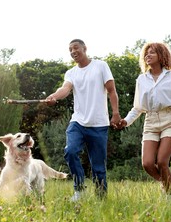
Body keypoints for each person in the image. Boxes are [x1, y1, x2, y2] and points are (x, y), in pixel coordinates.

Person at [118, 42, 171, 195]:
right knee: (147, 163)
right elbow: (138, 107)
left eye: (152, 53)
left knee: (162, 161)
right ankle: (165, 182)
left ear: (161, 56)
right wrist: (126, 121)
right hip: (151, 121)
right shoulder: (141, 79)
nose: (148, 55)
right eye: (146, 53)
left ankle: (168, 197)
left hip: (170, 120)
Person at [46, 39, 121, 201]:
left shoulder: (101, 66)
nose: (73, 52)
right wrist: (54, 96)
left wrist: (115, 113)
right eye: (70, 50)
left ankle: (101, 199)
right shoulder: (71, 73)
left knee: (98, 167)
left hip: (99, 124)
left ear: (84, 48)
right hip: (78, 122)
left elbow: (112, 91)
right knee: (70, 151)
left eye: (76, 48)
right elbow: (65, 89)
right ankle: (79, 189)